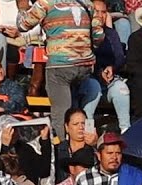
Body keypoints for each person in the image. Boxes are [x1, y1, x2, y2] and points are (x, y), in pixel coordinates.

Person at [18, 0, 104, 143]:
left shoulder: (45, 2)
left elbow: (23, 25)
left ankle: (64, 149)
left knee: (61, 111)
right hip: (85, 66)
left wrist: (22, 9)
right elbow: (99, 37)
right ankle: (85, 143)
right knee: (79, 109)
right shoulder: (87, 3)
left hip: (61, 65)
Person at [79, 0, 131, 133]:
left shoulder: (111, 33)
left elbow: (120, 57)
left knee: (121, 89)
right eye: (97, 12)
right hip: (88, 78)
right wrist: (98, 72)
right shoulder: (83, 32)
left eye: (103, 12)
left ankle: (126, 130)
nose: (100, 16)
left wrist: (112, 68)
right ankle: (88, 132)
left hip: (109, 79)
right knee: (93, 88)